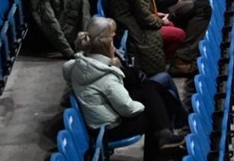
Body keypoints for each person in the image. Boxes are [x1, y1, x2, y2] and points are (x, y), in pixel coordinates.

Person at [63, 16, 186, 158]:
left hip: (103, 119)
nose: (114, 43)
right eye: (112, 38)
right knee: (154, 112)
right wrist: (147, 105)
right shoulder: (105, 75)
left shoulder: (81, 63)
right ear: (106, 44)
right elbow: (128, 108)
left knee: (150, 89)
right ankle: (167, 135)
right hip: (109, 129)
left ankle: (167, 136)